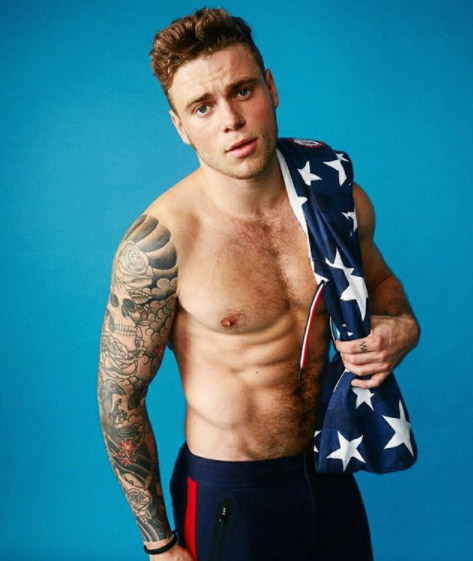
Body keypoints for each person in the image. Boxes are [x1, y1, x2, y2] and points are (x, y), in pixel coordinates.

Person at [97, 7, 419, 561]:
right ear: (180, 126)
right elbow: (119, 400)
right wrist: (159, 543)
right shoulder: (160, 246)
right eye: (202, 106)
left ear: (270, 88)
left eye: (242, 91)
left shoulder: (333, 199)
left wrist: (402, 328)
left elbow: (382, 281)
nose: (230, 119)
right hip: (232, 494)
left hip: (329, 468)